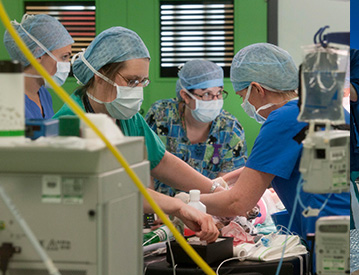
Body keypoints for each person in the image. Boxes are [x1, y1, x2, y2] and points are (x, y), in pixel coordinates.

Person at [197, 43, 351, 275]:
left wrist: (183, 203)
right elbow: (281, 161)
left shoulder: (282, 119)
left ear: (257, 88)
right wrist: (226, 179)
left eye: (241, 95)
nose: (243, 102)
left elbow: (238, 202)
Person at [53, 26, 219, 243]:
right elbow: (113, 188)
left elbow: (161, 162)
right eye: (132, 81)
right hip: (77, 233)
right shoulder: (71, 122)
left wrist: (215, 189)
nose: (138, 89)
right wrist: (178, 206)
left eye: (143, 81)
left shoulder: (124, 115)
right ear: (100, 76)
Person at [144, 59, 246, 196]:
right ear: (186, 96)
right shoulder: (161, 116)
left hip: (209, 208)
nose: (215, 101)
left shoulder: (230, 129)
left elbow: (227, 187)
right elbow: (145, 165)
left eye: (219, 93)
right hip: (161, 207)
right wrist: (151, 211)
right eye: (206, 94)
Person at [4, 14, 73, 120]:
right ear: (38, 54)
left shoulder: (44, 94)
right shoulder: (6, 100)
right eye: (64, 57)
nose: (67, 64)